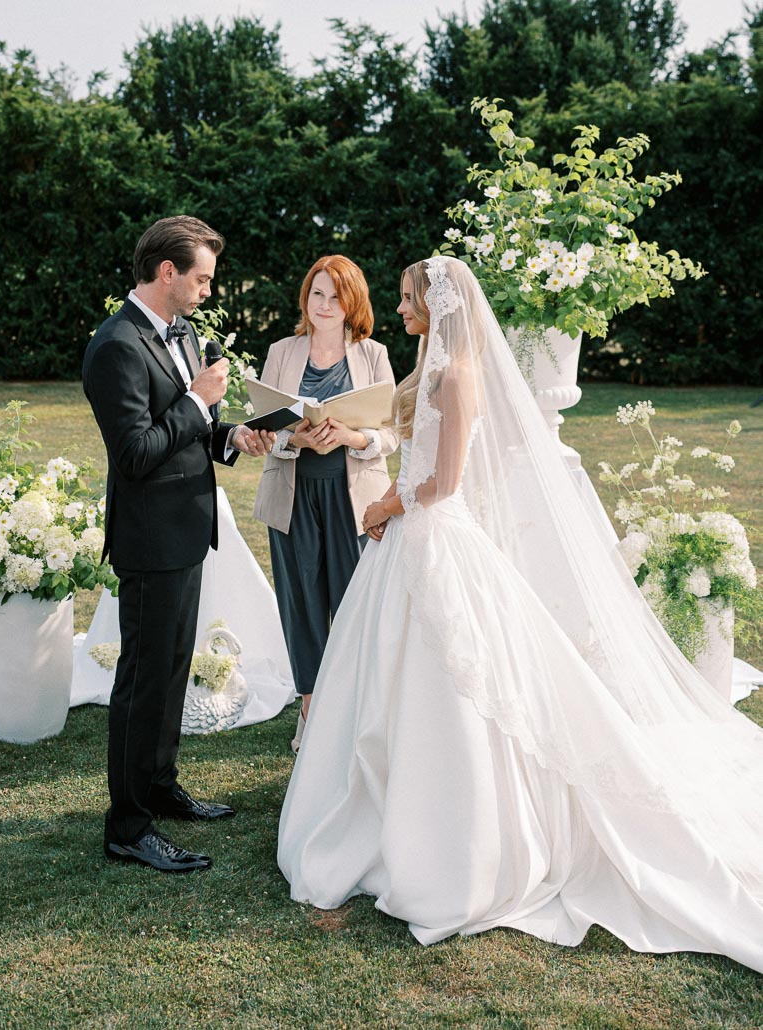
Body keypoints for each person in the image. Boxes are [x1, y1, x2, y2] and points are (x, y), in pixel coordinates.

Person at [278, 255, 763, 972]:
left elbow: (447, 482)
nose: (402, 309)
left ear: (440, 306)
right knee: (382, 677)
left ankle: (461, 840)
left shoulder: (460, 375)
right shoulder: (428, 367)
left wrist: (385, 504)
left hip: (432, 537)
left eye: (411, 301)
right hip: (403, 545)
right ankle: (379, 812)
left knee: (459, 686)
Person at [83, 215, 275, 874]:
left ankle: (159, 788)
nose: (206, 292)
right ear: (167, 272)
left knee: (170, 670)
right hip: (148, 537)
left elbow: (196, 429)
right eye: (200, 278)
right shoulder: (116, 346)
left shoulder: (185, 333)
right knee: (140, 683)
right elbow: (136, 452)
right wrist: (197, 403)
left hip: (189, 529)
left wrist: (231, 437)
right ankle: (128, 826)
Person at [253, 256, 398, 751]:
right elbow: (263, 428)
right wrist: (298, 442)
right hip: (292, 495)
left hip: (355, 497)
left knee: (354, 601)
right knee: (301, 602)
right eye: (317, 293)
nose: (325, 304)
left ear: (352, 301)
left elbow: (393, 433)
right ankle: (311, 710)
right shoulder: (282, 351)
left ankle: (355, 709)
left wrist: (353, 437)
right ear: (306, 298)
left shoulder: (374, 354)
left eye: (335, 296)